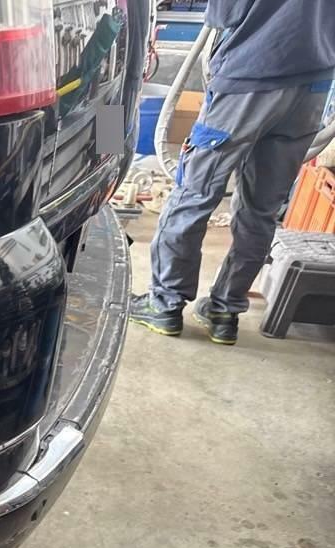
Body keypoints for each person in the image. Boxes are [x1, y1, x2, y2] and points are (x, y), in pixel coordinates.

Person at [129, 0, 335, 345]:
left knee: (196, 193)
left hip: (252, 73)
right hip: (312, 84)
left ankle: (165, 303)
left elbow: (224, 14)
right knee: (262, 208)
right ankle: (225, 311)